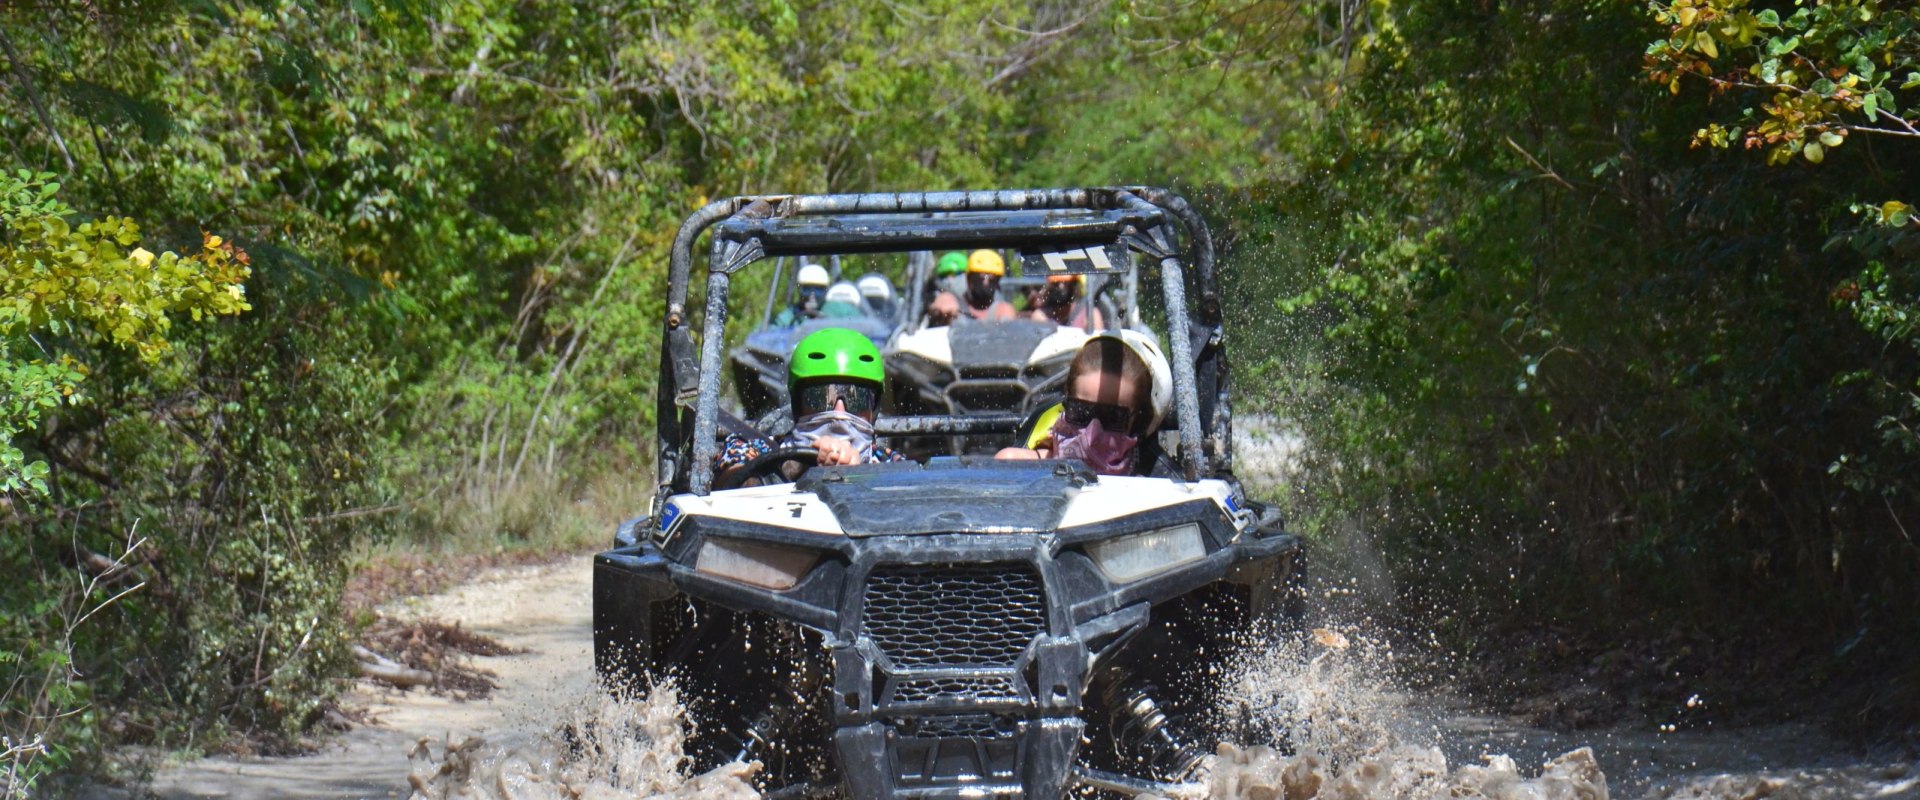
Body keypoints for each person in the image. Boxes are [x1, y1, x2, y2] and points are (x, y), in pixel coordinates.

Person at [717, 328, 908, 483]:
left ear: (873, 408)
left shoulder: (890, 465)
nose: (838, 413)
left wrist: (861, 477)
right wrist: (797, 466)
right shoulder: (753, 447)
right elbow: (732, 482)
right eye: (820, 397)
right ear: (797, 404)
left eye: (856, 398)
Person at [996, 330, 1171, 476]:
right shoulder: (1014, 468)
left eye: (1112, 418)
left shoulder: (1157, 491)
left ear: (1139, 424)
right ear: (1066, 404)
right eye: (1080, 411)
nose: (1091, 433)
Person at [930, 249, 1017, 324]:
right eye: (980, 277)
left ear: (997, 282)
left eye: (992, 279)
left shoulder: (1001, 310)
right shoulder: (953, 300)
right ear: (969, 278)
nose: (986, 282)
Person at [1028, 273, 1105, 329]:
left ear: (1075, 285)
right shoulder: (1041, 316)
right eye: (1056, 283)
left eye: (1066, 283)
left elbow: (1095, 346)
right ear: (1049, 286)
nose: (1061, 287)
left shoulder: (1089, 314)